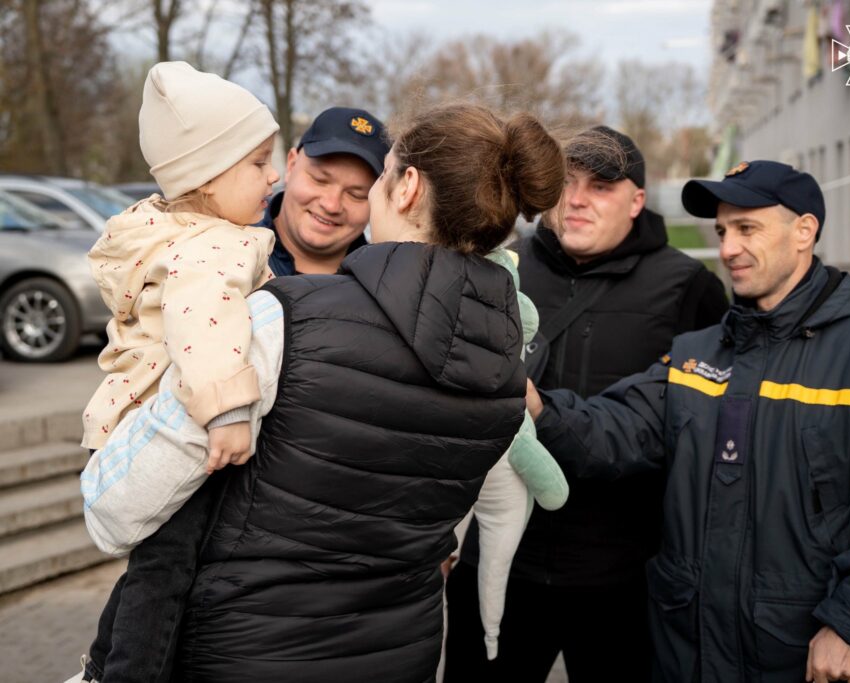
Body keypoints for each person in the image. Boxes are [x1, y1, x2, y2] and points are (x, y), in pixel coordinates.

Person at [80, 103, 567, 682]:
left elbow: (118, 514)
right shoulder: (503, 366)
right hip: (398, 654)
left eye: (379, 177)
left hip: (246, 654)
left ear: (407, 187)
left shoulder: (280, 319)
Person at [525, 160, 850, 683]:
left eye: (746, 229)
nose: (728, 248)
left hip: (810, 660)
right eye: (721, 232)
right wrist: (533, 402)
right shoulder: (697, 354)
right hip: (690, 656)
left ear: (804, 231)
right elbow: (618, 426)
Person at [444, 126, 728, 682]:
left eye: (600, 186)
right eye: (567, 184)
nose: (575, 199)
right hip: (501, 566)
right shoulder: (498, 270)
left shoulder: (688, 287)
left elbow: (703, 432)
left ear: (637, 200)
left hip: (624, 577)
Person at [75, 61, 281, 682]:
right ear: (208, 177)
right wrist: (226, 412)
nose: (274, 176)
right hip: (180, 427)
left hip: (126, 422)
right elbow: (203, 321)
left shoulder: (163, 233)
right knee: (166, 573)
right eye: (257, 162)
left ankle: (100, 664)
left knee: (150, 566)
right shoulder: (218, 245)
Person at [259, 106, 389, 275]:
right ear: (291, 166)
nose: (331, 205)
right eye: (320, 180)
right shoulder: (224, 249)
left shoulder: (384, 289)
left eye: (356, 195)